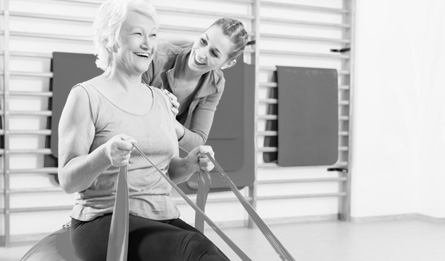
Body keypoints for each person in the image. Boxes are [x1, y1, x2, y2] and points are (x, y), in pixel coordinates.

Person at [57, 0, 229, 260]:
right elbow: (69, 180)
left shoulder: (162, 100)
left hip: (161, 218)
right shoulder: (86, 96)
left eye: (153, 35)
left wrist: (190, 163)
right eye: (138, 34)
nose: (149, 44)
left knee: (210, 252)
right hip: (104, 220)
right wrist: (105, 155)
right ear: (110, 39)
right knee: (195, 250)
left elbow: (167, 171)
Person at [142, 17, 251, 152]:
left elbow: (197, 141)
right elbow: (127, 112)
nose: (201, 54)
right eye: (203, 41)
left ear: (228, 64)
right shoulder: (157, 57)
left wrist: (170, 122)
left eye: (214, 53)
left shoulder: (215, 84)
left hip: (156, 146)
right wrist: (159, 103)